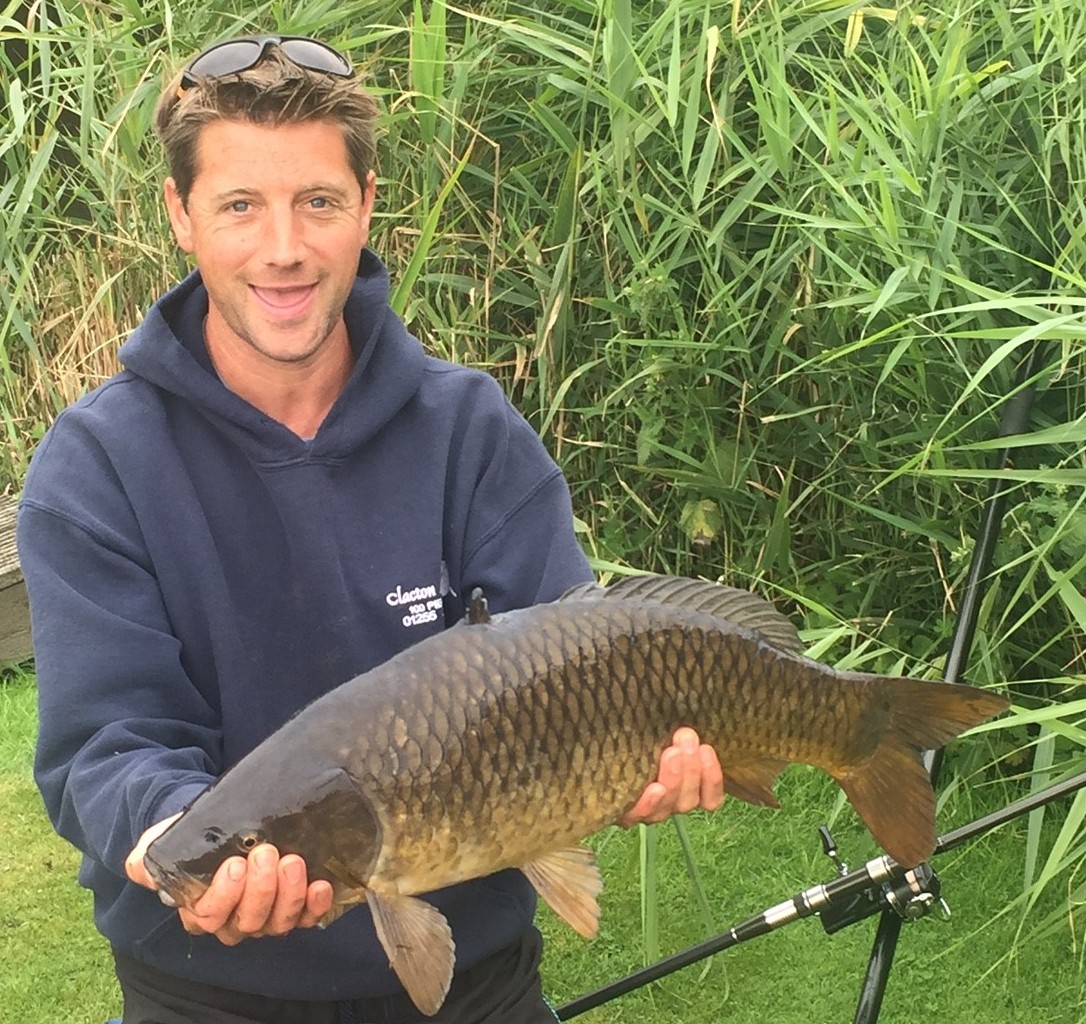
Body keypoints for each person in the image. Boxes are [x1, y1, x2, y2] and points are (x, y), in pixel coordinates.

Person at [18, 34, 724, 1024]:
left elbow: (581, 656)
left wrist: (640, 762)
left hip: (478, 984)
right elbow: (106, 743)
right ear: (180, 216)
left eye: (316, 201)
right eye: (238, 206)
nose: (283, 249)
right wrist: (177, 836)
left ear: (365, 205)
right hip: (206, 996)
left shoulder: (468, 428)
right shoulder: (95, 466)